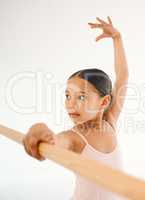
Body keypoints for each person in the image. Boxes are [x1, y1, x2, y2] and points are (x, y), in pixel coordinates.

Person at [22, 16, 129, 200]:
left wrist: (117, 38)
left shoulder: (110, 121)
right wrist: (40, 130)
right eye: (67, 96)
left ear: (104, 102)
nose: (70, 104)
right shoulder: (75, 137)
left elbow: (123, 75)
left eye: (81, 96)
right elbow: (56, 142)